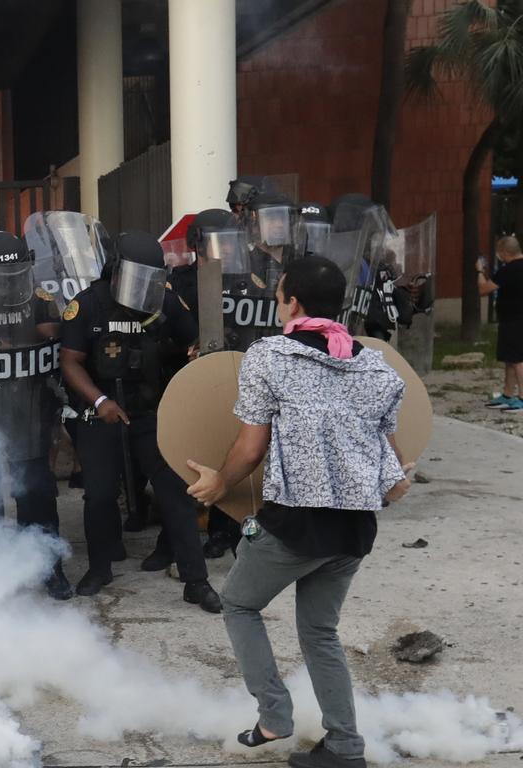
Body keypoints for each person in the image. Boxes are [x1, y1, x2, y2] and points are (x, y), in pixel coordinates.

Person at [187, 255, 412, 768]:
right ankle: (345, 746)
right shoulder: (377, 366)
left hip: (296, 524)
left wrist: (219, 482)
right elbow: (392, 460)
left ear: (292, 303)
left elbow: (249, 449)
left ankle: (275, 716)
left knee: (240, 604)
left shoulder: (270, 356)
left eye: (279, 294)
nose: (276, 301)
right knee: (319, 632)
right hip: (355, 530)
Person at [59, 230, 220, 610]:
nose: (144, 288)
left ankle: (195, 581)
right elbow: (70, 361)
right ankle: (99, 568)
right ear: (116, 271)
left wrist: (197, 352)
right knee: (98, 494)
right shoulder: (88, 305)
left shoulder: (164, 301)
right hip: (101, 413)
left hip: (150, 412)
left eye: (152, 279)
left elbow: (194, 342)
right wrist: (99, 400)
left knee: (176, 492)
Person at [0, 231, 72, 600]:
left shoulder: (39, 296)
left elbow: (56, 335)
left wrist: (45, 333)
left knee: (37, 493)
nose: (8, 284)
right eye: (0, 277)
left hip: (28, 410)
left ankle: (48, 567)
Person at [479, 236, 523, 411]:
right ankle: (507, 394)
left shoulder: (509, 270)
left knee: (518, 359)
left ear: (505, 252)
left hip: (514, 320)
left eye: (499, 252)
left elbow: (483, 289)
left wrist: (480, 272)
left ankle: (521, 398)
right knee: (510, 359)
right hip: (512, 319)